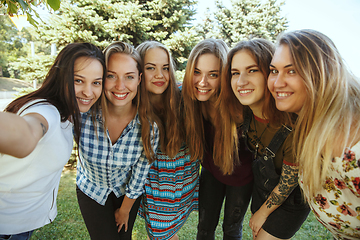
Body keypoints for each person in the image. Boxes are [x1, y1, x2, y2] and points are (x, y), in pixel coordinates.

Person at [0, 42, 105, 240]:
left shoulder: (69, 113)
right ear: (61, 77)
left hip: (18, 225)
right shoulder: (47, 111)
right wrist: (24, 136)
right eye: (78, 81)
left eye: (96, 83)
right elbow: (28, 132)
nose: (88, 92)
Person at [268, 29, 360, 240]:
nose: (277, 82)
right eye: (274, 71)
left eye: (291, 71)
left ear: (321, 73)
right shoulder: (310, 124)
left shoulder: (352, 141)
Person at [220, 38, 310, 240]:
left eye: (252, 70)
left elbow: (289, 182)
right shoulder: (245, 112)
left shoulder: (291, 125)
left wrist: (263, 212)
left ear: (269, 73)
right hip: (263, 190)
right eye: (235, 73)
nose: (241, 81)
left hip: (290, 200)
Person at [76, 41, 159, 240]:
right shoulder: (82, 116)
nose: (120, 86)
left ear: (139, 79)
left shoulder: (149, 127)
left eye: (128, 77)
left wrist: (125, 210)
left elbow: (140, 174)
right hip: (91, 190)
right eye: (111, 76)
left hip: (126, 194)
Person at [182, 38, 253, 240]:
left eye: (213, 75)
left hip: (241, 178)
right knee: (204, 228)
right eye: (197, 72)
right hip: (211, 173)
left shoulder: (240, 107)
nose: (202, 82)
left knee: (231, 230)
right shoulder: (191, 101)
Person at [136, 41, 199, 240]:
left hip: (180, 181)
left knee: (163, 234)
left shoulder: (183, 95)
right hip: (152, 184)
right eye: (150, 68)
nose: (159, 75)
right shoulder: (131, 102)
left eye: (165, 68)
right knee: (159, 233)